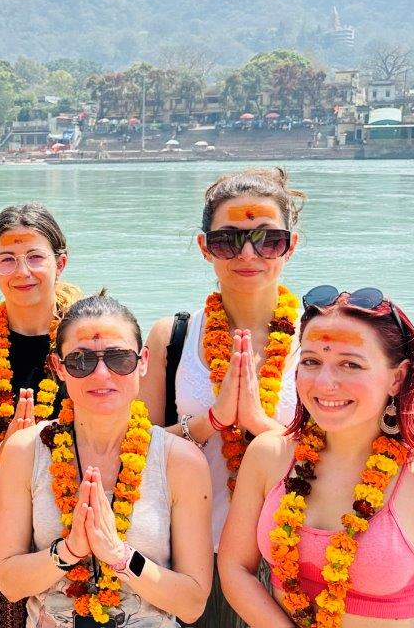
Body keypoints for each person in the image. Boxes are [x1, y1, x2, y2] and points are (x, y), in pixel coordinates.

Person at [219, 286, 414, 627]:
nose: (325, 382)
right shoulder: (269, 455)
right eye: (311, 361)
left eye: (350, 364)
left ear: (398, 377)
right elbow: (235, 567)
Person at [139, 167, 305, 626]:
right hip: (192, 555)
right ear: (204, 248)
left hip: (297, 553)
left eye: (267, 239)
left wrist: (259, 425)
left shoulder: (319, 340)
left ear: (291, 245)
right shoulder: (172, 337)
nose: (248, 254)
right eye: (227, 240)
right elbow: (137, 448)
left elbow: (346, 456)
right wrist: (210, 422)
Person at [0, 291, 212, 626]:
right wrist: (68, 552)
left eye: (119, 359)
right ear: (59, 367)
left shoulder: (180, 461)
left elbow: (192, 603)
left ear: (142, 362)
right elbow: (9, 584)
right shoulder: (26, 451)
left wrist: (120, 556)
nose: (101, 375)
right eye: (81, 360)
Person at [0, 203, 82, 628]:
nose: (22, 271)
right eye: (8, 259)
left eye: (35, 257)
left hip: (70, 517)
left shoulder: (85, 337)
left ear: (60, 263)